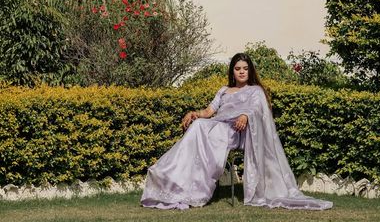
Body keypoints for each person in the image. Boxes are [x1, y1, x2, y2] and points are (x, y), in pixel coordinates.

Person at [140, 52, 333, 210]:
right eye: (238, 68)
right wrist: (194, 113)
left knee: (200, 127)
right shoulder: (224, 90)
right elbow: (209, 111)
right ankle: (174, 178)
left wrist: (245, 116)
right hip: (217, 126)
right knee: (197, 124)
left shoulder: (255, 90)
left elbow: (257, 109)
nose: (242, 72)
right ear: (233, 71)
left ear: (250, 71)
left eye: (245, 69)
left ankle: (187, 183)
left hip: (236, 132)